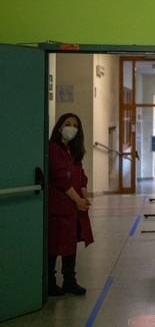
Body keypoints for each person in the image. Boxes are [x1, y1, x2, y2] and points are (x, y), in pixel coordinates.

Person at [47, 113, 94, 296]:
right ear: (59, 128)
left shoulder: (74, 150)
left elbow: (81, 174)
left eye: (75, 125)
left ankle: (69, 281)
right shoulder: (54, 149)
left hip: (73, 206)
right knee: (54, 245)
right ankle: (50, 282)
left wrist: (83, 194)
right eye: (67, 124)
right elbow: (61, 180)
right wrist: (78, 200)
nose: (71, 128)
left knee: (70, 244)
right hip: (59, 206)